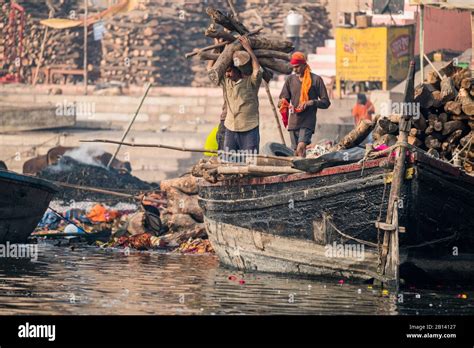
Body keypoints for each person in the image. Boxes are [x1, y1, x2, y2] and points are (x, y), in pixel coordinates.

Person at [279, 52, 331, 158]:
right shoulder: (290, 80)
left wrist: (311, 102)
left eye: (297, 67)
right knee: (295, 152)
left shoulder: (316, 80)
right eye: (293, 67)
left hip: (307, 122)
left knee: (301, 147)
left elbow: (326, 102)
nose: (295, 69)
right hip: (293, 122)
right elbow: (283, 100)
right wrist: (283, 103)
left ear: (304, 64)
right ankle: (299, 173)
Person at [220, 36, 263, 157]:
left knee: (250, 162)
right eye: (226, 72)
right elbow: (211, 70)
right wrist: (219, 48)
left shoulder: (251, 82)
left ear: (238, 70)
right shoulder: (226, 82)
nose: (227, 75)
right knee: (229, 161)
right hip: (230, 127)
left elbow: (257, 69)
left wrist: (248, 49)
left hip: (249, 128)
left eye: (229, 71)